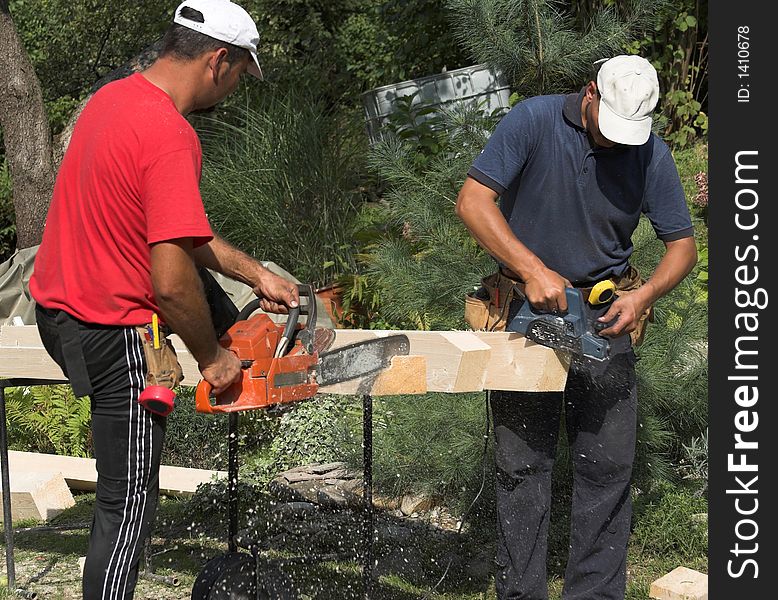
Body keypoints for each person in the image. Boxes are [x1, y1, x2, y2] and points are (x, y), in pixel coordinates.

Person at [29, 1, 299, 598]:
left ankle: (236, 338)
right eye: (237, 75)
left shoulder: (112, 100)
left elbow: (179, 232)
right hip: (114, 330)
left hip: (61, 313)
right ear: (217, 60)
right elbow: (171, 283)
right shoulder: (171, 134)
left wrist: (256, 274)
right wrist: (213, 361)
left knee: (119, 499)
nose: (234, 89)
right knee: (126, 507)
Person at [455, 55, 698, 599]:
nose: (616, 144)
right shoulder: (533, 122)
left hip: (607, 317)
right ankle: (522, 594)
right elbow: (473, 202)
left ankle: (595, 593)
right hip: (524, 311)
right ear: (590, 93)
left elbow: (683, 246)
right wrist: (531, 268)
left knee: (608, 468)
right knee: (522, 466)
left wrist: (645, 295)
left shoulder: (648, 150)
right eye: (609, 129)